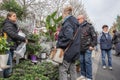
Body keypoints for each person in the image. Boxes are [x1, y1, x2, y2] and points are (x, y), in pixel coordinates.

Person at [56, 5, 80, 80]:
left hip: (68, 51)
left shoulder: (68, 22)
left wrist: (59, 44)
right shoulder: (75, 22)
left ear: (66, 13)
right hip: (74, 50)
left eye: (62, 14)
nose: (62, 16)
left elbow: (68, 37)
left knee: (63, 70)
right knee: (72, 69)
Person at [2, 12, 28, 78]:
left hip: (11, 46)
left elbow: (14, 34)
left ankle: (7, 76)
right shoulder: (7, 25)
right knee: (9, 64)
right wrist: (23, 39)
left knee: (8, 64)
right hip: (7, 46)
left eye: (15, 16)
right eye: (14, 16)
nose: (15, 17)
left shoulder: (12, 24)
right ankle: (7, 77)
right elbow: (13, 35)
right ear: (9, 17)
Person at [77, 15, 97, 80]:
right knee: (81, 62)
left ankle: (89, 77)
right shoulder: (78, 27)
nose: (77, 20)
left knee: (87, 62)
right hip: (80, 48)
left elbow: (94, 36)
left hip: (88, 48)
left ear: (82, 19)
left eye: (78, 19)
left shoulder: (89, 26)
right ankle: (83, 75)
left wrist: (92, 45)